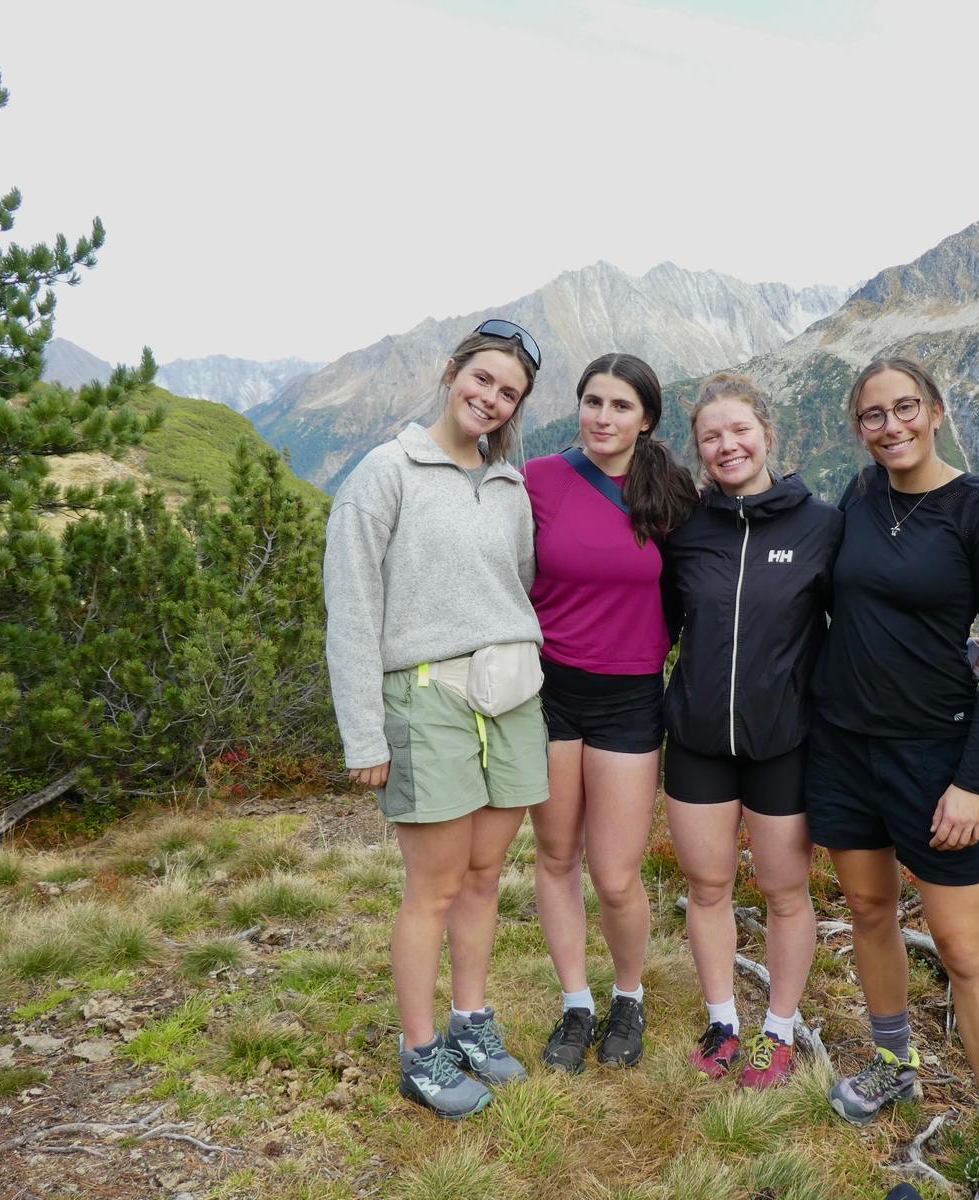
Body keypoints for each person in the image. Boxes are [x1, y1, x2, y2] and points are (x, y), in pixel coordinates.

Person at [807, 358, 979, 1199]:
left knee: (965, 948)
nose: (891, 425)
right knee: (869, 910)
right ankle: (894, 1061)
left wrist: (972, 781)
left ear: (936, 411)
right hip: (843, 746)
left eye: (906, 408)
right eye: (874, 415)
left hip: (935, 756)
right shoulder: (862, 494)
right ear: (858, 427)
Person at [323, 319, 548, 1120]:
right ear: (452, 373)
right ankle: (420, 1053)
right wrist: (364, 733)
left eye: (508, 393)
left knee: (486, 876)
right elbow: (352, 609)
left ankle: (470, 1022)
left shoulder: (510, 488)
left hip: (511, 697)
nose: (490, 398)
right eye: (482, 379)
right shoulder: (385, 472)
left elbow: (517, 586)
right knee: (435, 886)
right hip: (427, 699)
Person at [661, 373, 842, 1088]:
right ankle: (723, 1022)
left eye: (739, 430)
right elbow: (655, 621)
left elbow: (859, 624)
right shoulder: (686, 530)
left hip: (784, 743)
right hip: (697, 740)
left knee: (784, 890)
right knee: (707, 886)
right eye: (711, 436)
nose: (727, 445)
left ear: (768, 434)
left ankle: (779, 1030)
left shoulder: (820, 526)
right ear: (699, 449)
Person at [523, 352, 698, 1072]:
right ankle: (576, 1004)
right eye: (593, 401)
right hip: (549, 692)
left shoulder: (671, 492)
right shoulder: (540, 480)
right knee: (556, 856)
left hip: (630, 695)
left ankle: (629, 996)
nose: (603, 417)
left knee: (617, 875)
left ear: (646, 418)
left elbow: (697, 584)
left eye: (621, 405)